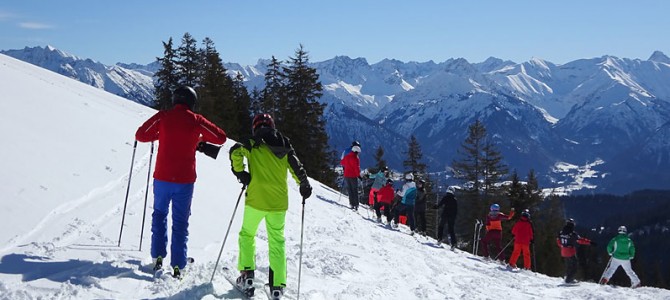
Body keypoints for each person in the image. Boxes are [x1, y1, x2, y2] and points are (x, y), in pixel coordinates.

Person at [135, 86, 227, 278]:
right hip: (185, 181)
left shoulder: (163, 117)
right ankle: (178, 265)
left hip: (162, 178)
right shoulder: (196, 120)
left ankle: (157, 257)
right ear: (192, 102)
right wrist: (198, 137)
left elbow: (141, 135)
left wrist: (161, 133)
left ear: (175, 99)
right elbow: (220, 138)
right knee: (180, 221)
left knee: (159, 215)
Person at [229, 113, 312, 299]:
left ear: (255, 127)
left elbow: (234, 151)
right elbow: (296, 166)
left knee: (247, 235)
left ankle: (247, 274)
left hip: (256, 200)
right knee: (277, 242)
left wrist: (241, 173)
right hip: (278, 203)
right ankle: (277, 286)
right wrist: (304, 184)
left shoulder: (252, 142)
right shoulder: (284, 144)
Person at [556, 218, 595, 284]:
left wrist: (563, 246)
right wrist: (590, 242)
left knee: (569, 265)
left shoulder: (561, 232)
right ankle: (569, 279)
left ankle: (567, 277)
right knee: (574, 266)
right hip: (570, 251)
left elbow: (558, 241)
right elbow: (580, 240)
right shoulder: (572, 233)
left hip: (563, 251)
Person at [340, 142, 361, 211]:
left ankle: (351, 203)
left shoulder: (347, 156)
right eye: (358, 152)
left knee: (349, 190)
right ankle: (356, 204)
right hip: (353, 176)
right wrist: (359, 176)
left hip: (346, 175)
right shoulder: (356, 158)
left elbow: (342, 162)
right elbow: (356, 168)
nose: (358, 153)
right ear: (356, 151)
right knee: (355, 190)